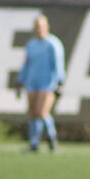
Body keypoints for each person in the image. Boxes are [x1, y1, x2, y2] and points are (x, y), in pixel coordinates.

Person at [18, 13, 66, 151]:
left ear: (47, 27)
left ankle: (52, 136)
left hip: (48, 83)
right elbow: (26, 64)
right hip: (32, 82)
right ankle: (34, 142)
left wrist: (59, 82)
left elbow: (58, 65)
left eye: (41, 26)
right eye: (36, 26)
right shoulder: (31, 45)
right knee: (33, 113)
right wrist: (20, 80)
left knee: (42, 112)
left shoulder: (53, 44)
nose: (38, 29)